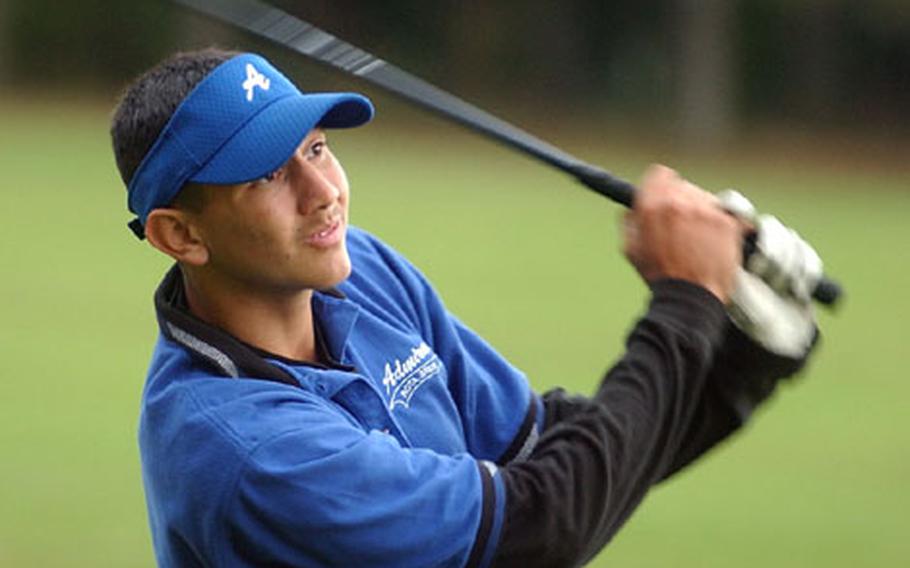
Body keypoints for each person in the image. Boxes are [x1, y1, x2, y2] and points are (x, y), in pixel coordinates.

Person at [111, 48, 821, 567]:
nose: (322, 190)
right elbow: (542, 525)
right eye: (268, 173)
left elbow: (555, 451)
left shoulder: (362, 276)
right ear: (182, 233)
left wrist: (738, 358)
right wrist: (687, 303)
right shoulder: (249, 452)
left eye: (319, 149)